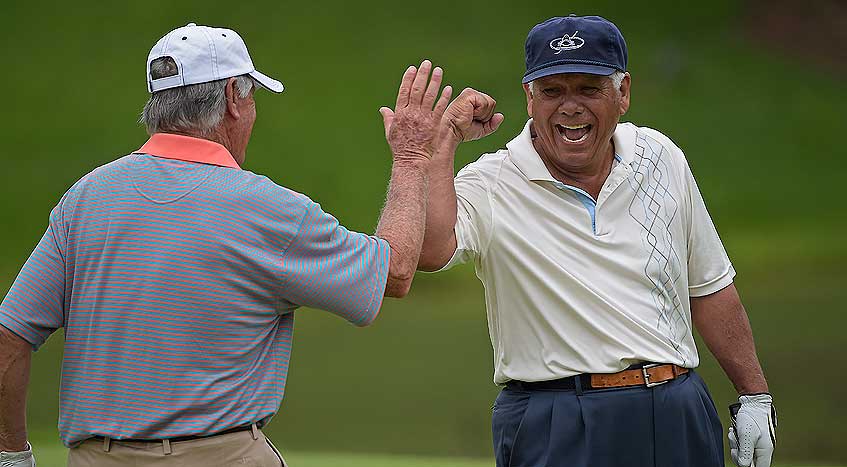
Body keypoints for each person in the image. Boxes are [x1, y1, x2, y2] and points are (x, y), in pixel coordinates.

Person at [0, 23, 453, 466]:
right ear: (235, 100)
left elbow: (10, 336)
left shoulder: (87, 197)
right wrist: (412, 157)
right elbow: (392, 272)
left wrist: (12, 457)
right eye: (252, 97)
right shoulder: (268, 210)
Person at [408, 15, 777, 467]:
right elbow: (428, 252)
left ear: (622, 93)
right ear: (529, 98)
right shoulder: (492, 181)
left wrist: (754, 394)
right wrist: (443, 143)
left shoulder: (660, 156)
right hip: (557, 417)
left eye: (588, 89)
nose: (570, 107)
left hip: (677, 408)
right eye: (552, 91)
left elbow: (709, 286)